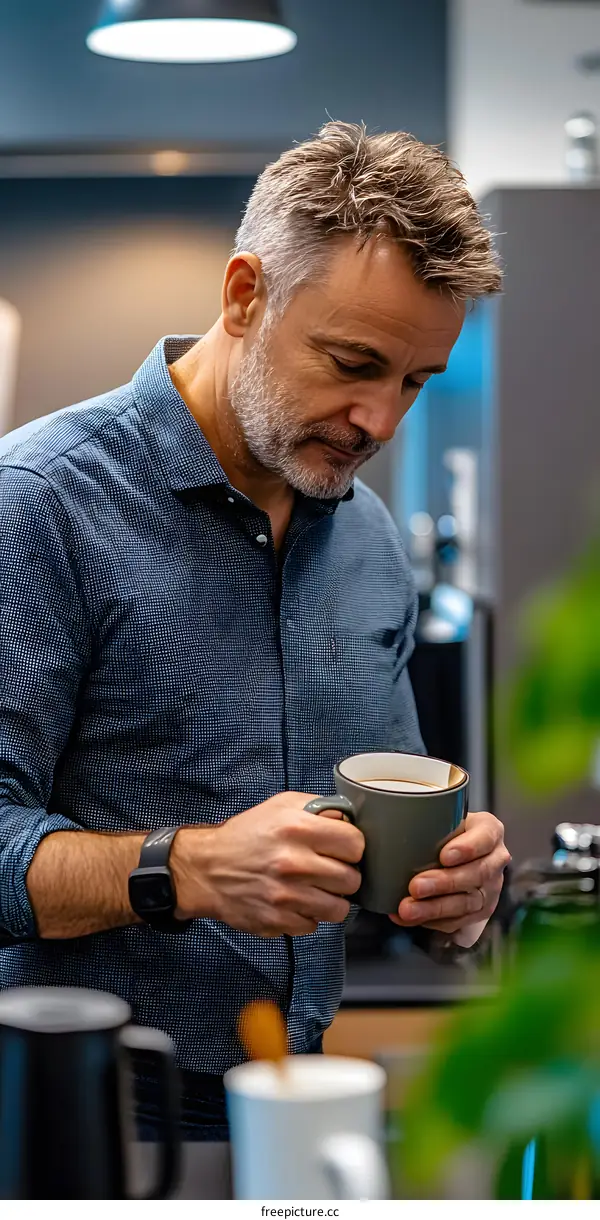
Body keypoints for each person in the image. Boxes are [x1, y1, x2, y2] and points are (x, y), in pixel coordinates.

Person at [0, 122, 510, 1140]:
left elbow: (382, 810)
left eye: (414, 380)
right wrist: (185, 866)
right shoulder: (40, 503)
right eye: (354, 361)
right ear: (245, 294)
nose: (380, 420)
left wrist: (454, 882)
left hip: (300, 1094)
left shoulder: (365, 537)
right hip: (76, 1116)